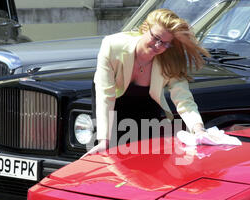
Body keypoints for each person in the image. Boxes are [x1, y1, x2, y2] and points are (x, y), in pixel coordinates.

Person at [85, 8, 210, 156]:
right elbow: (105, 95)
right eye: (156, 38)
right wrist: (104, 140)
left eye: (165, 43)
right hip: (112, 101)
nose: (158, 46)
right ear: (145, 28)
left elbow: (183, 98)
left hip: (146, 105)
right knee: (108, 151)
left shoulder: (169, 59)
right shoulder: (112, 46)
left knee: (145, 154)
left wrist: (198, 129)